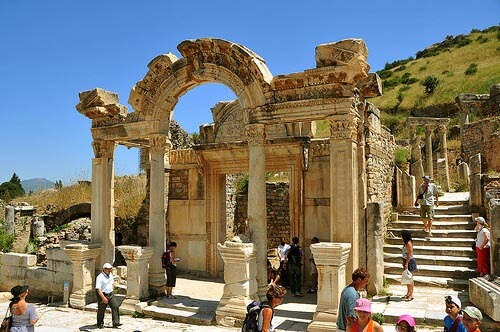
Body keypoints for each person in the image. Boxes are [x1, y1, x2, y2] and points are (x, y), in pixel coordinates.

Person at [336, 268, 370, 332]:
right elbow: (350, 318)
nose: (367, 283)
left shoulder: (348, 288)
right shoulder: (352, 295)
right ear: (359, 280)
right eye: (366, 281)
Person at [95, 263, 121, 329]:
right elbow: (98, 288)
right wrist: (103, 297)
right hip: (103, 294)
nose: (110, 270)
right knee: (101, 309)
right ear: (104, 269)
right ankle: (100, 323)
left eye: (110, 269)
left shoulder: (110, 275)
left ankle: (116, 322)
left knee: (115, 306)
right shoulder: (100, 277)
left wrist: (112, 291)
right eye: (108, 269)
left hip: (110, 293)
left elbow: (112, 283)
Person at [401, 230, 417, 301]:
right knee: (407, 278)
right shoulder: (405, 243)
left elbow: (409, 254)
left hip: (410, 261)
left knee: (410, 278)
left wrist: (407, 263)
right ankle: (408, 293)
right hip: (405, 260)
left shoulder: (408, 243)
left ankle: (411, 294)